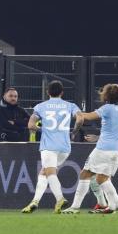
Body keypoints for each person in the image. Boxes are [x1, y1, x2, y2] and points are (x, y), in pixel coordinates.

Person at [62, 84, 118, 214]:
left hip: (104, 149)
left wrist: (72, 111)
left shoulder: (108, 108)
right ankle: (116, 207)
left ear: (107, 96)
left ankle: (74, 208)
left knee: (85, 174)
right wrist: (100, 136)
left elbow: (86, 117)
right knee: (102, 179)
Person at [20, 80, 83, 214]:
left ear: (47, 92)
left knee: (50, 172)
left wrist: (43, 130)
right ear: (62, 93)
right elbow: (80, 119)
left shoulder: (41, 107)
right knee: (44, 172)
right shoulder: (70, 105)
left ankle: (60, 198)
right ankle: (35, 201)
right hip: (65, 147)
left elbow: (31, 125)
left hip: (49, 146)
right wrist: (74, 132)